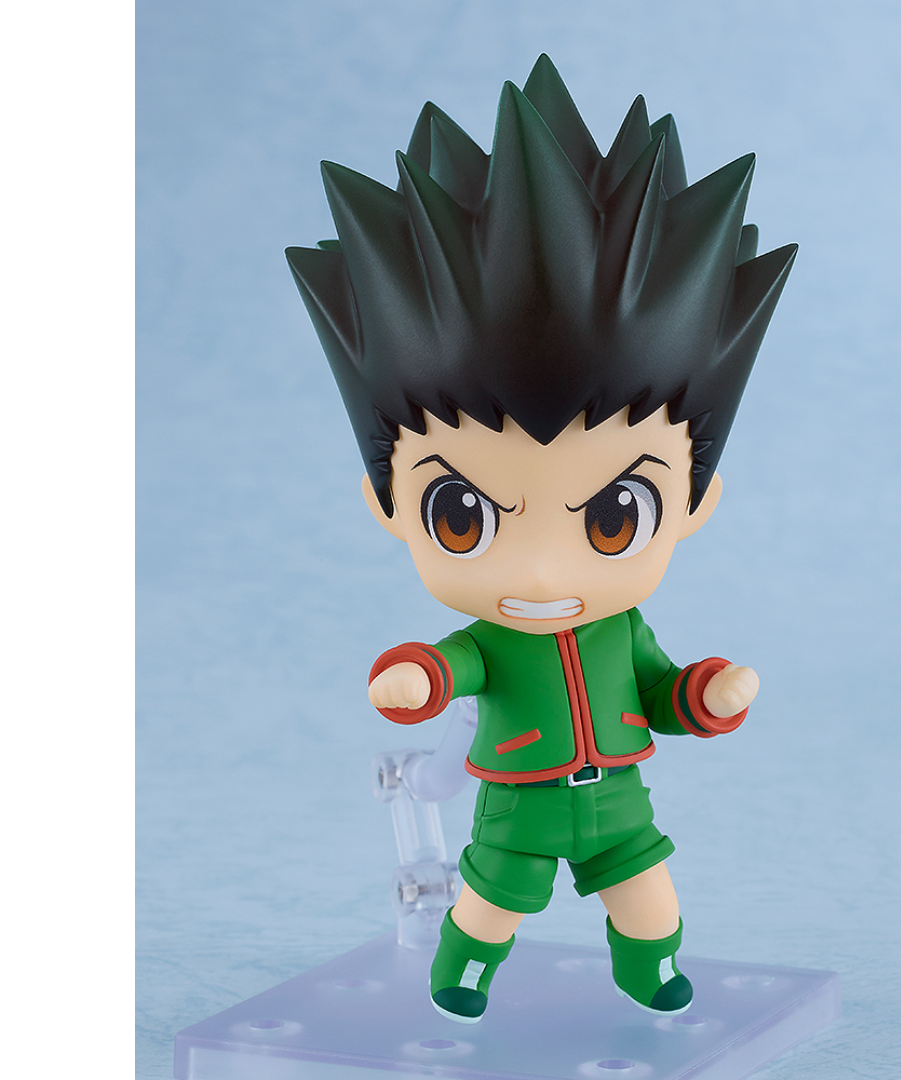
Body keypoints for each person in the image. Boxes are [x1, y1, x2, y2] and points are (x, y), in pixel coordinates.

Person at [286, 54, 796, 1024]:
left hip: (620, 807)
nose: (541, 568)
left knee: (650, 898)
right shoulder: (493, 637)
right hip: (517, 804)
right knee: (493, 902)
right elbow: (448, 666)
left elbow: (661, 691)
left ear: (694, 503)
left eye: (613, 518)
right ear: (389, 505)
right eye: (462, 516)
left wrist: (708, 693)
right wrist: (411, 680)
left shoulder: (624, 628)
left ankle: (651, 972)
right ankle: (462, 974)